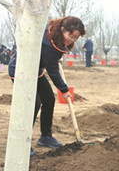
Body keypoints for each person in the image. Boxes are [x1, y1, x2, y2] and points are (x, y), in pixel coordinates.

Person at [8, 16, 85, 156]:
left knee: (48, 98)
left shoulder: (53, 32)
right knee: (34, 103)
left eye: (75, 38)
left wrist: (57, 57)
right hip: (20, 70)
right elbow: (53, 72)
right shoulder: (50, 44)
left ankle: (46, 137)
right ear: (63, 29)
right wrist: (64, 90)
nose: (72, 40)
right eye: (70, 35)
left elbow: (49, 58)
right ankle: (22, 142)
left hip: (34, 70)